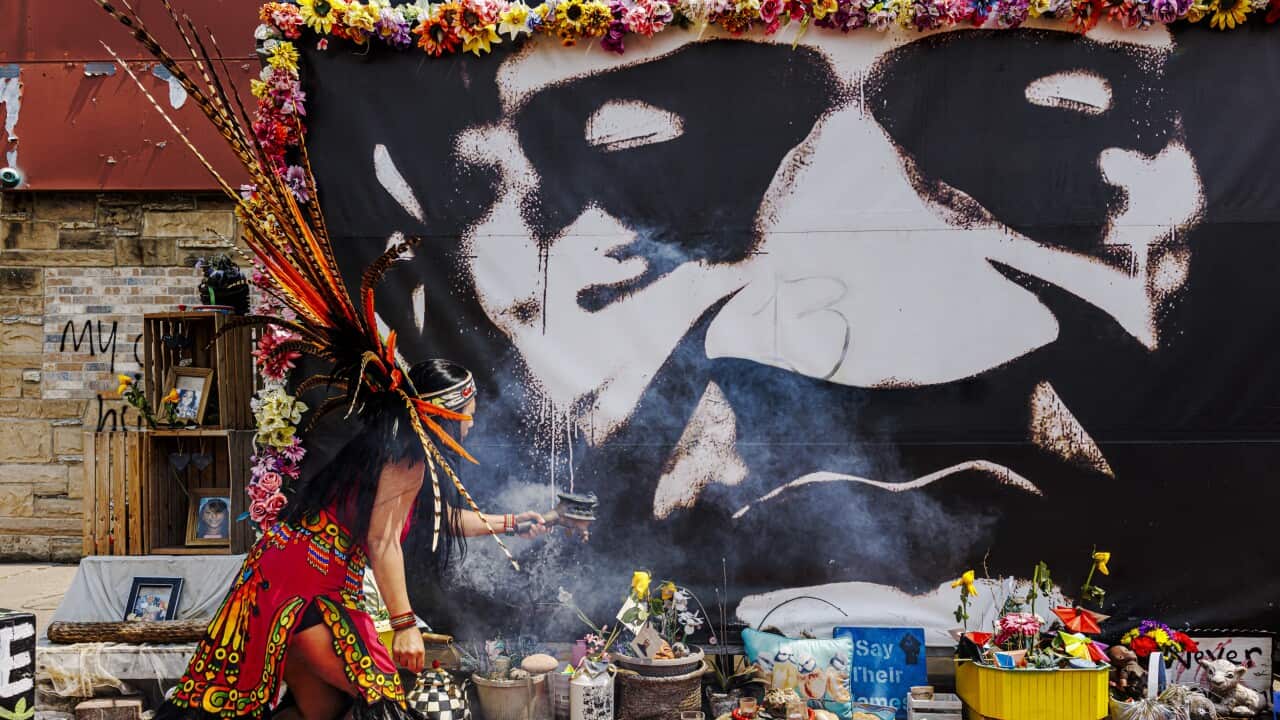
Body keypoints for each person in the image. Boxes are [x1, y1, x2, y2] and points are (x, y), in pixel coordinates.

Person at [156, 359, 558, 720]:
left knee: (321, 709)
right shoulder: (405, 460)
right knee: (381, 699)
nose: (470, 423)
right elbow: (383, 542)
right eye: (468, 413)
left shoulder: (395, 448)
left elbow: (437, 519)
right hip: (305, 584)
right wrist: (404, 626)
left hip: (283, 571)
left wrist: (510, 523)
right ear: (446, 414)